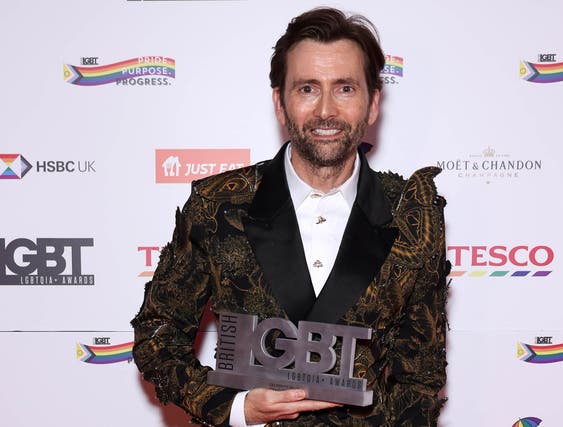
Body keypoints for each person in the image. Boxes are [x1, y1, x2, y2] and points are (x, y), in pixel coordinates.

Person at [131, 7, 449, 427]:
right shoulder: (219, 204)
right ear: (280, 103)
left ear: (373, 104)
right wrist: (236, 408)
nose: (325, 112)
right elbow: (158, 333)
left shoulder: (411, 211)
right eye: (307, 89)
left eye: (345, 89)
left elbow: (421, 378)